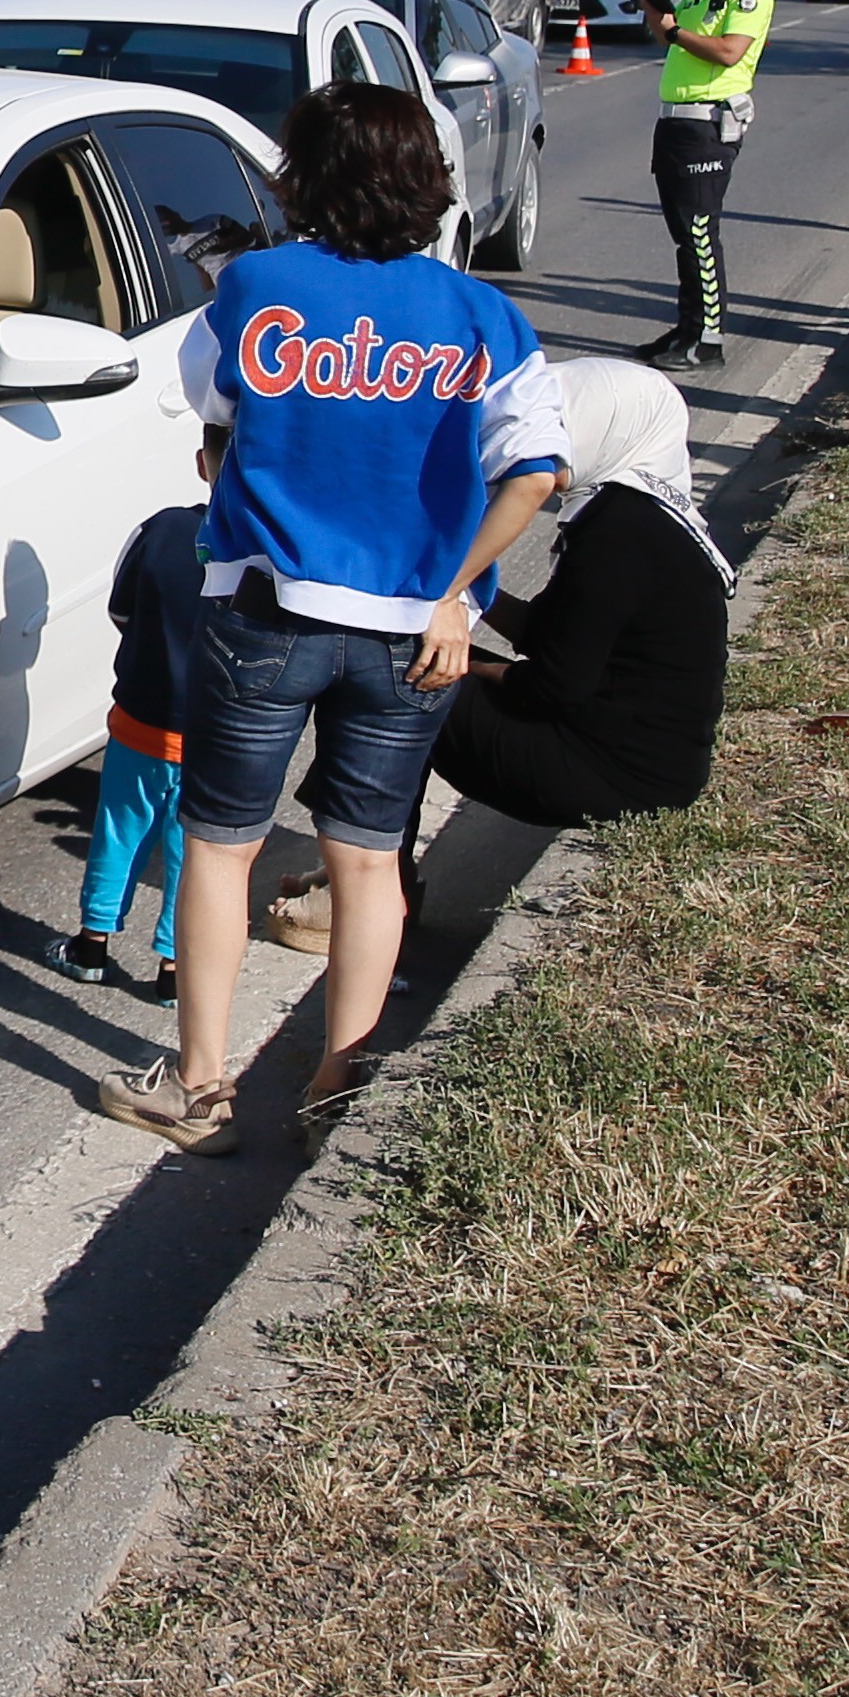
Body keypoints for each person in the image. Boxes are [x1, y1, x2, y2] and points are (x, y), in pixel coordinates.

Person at [102, 82, 563, 1154]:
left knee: (220, 848)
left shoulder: (258, 285)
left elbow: (213, 417)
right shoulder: (484, 315)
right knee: (365, 858)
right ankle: (336, 1085)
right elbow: (535, 472)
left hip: (270, 609)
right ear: (430, 186)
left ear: (304, 178)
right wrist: (455, 592)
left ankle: (203, 1088)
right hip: (418, 630)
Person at [429, 358, 729, 828]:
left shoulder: (619, 535)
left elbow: (552, 686)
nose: (544, 444)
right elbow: (552, 633)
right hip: (643, 765)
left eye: (562, 426)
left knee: (399, 677)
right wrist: (469, 586)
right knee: (414, 661)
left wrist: (471, 666)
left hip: (616, 777)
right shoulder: (641, 517)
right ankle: (370, 870)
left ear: (610, 429)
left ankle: (372, 874)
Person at [66, 503, 209, 999]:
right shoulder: (261, 551)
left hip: (138, 721)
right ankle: (173, 969)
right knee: (189, 854)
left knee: (118, 832)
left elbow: (119, 611)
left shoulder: (163, 528)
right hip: (209, 738)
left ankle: (91, 944)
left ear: (200, 462)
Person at [629, 0, 774, 378]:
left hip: (709, 123)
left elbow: (730, 52)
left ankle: (708, 339)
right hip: (676, 121)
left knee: (699, 234)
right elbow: (680, 43)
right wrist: (663, 25)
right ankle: (687, 329)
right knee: (682, 235)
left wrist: (677, 32)